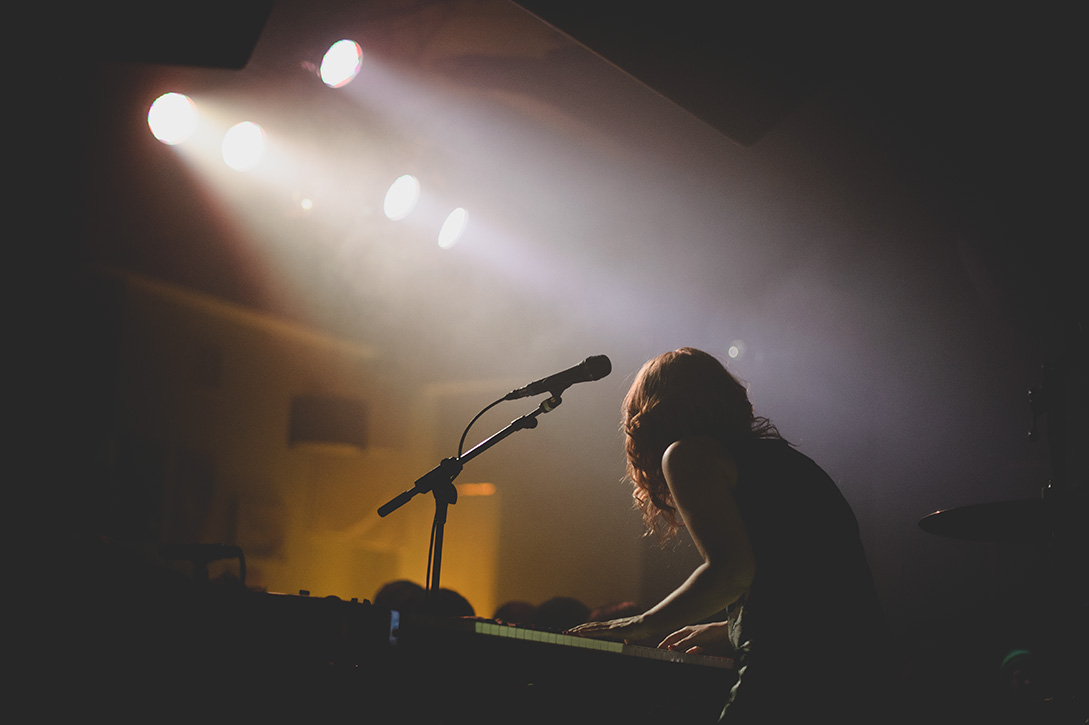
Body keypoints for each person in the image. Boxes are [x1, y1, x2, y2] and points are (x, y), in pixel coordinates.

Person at [567, 348, 891, 723]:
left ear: (650, 412)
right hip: (863, 665)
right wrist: (730, 628)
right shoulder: (787, 461)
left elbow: (732, 572)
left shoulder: (688, 453)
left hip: (795, 670)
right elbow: (814, 584)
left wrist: (641, 624)